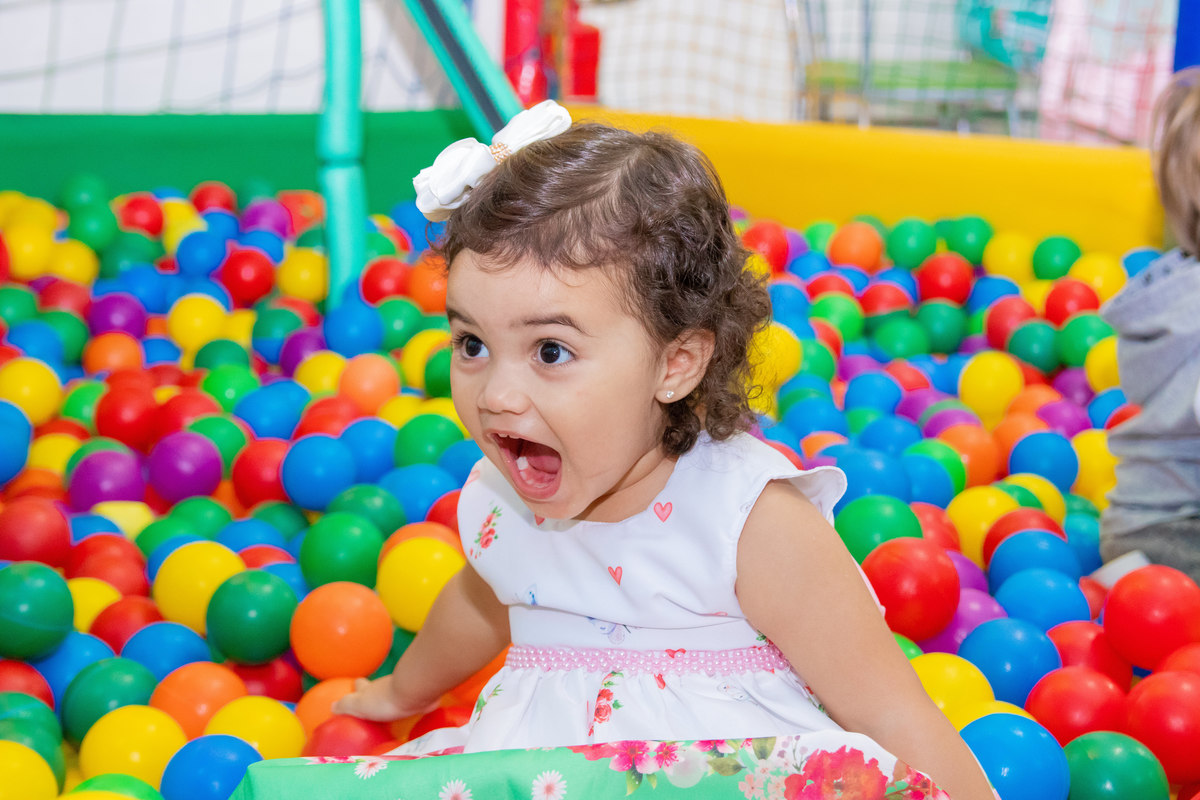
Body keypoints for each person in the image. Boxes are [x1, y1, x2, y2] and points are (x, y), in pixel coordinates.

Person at [333, 100, 995, 799]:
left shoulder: (746, 521)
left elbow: (888, 707)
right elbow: (482, 601)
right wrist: (399, 693)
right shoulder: (504, 503)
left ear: (675, 364)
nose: (496, 393)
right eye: (472, 344)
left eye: (550, 350)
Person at [1099, 67, 1200, 585]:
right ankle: (1134, 586)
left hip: (1136, 520)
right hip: (1177, 533)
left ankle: (1124, 579)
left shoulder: (1176, 287)